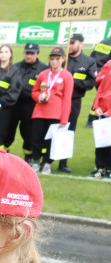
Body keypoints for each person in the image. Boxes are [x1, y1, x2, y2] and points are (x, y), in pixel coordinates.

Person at [31, 47, 74, 174]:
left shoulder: (67, 76)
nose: (54, 62)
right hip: (39, 112)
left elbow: (67, 98)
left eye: (57, 59)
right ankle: (36, 161)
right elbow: (34, 91)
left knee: (52, 141)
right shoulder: (43, 74)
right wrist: (39, 96)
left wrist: (64, 118)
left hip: (56, 113)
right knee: (36, 138)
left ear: (63, 59)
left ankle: (47, 163)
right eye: (52, 59)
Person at [62, 33, 98, 173]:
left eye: (73, 43)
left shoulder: (88, 61)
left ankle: (63, 162)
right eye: (68, 43)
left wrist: (73, 83)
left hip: (74, 100)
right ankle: (46, 159)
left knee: (69, 131)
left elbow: (91, 82)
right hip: (57, 100)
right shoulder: (61, 58)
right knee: (51, 128)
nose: (69, 46)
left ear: (81, 44)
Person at [11, 43, 44, 162]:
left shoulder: (43, 69)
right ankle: (5, 155)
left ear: (38, 53)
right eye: (27, 53)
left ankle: (28, 156)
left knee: (28, 134)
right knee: (8, 132)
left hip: (31, 106)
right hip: (14, 104)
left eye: (32, 53)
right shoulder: (15, 67)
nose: (29, 56)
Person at [87, 58, 111, 179]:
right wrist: (96, 106)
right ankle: (100, 168)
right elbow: (101, 88)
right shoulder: (109, 64)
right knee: (101, 141)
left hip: (109, 112)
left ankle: (110, 170)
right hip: (103, 111)